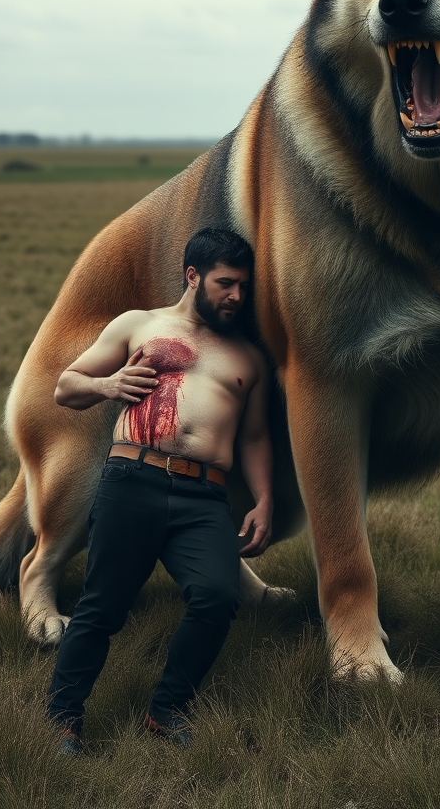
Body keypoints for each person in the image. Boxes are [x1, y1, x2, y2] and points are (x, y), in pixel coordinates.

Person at [46, 227, 273, 752]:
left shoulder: (247, 358)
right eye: (226, 283)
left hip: (204, 498)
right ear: (193, 276)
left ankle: (167, 708)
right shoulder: (138, 325)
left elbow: (256, 436)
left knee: (216, 598)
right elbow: (65, 386)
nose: (237, 296)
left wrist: (264, 499)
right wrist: (109, 385)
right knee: (102, 607)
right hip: (133, 482)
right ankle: (63, 718)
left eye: (244, 286)